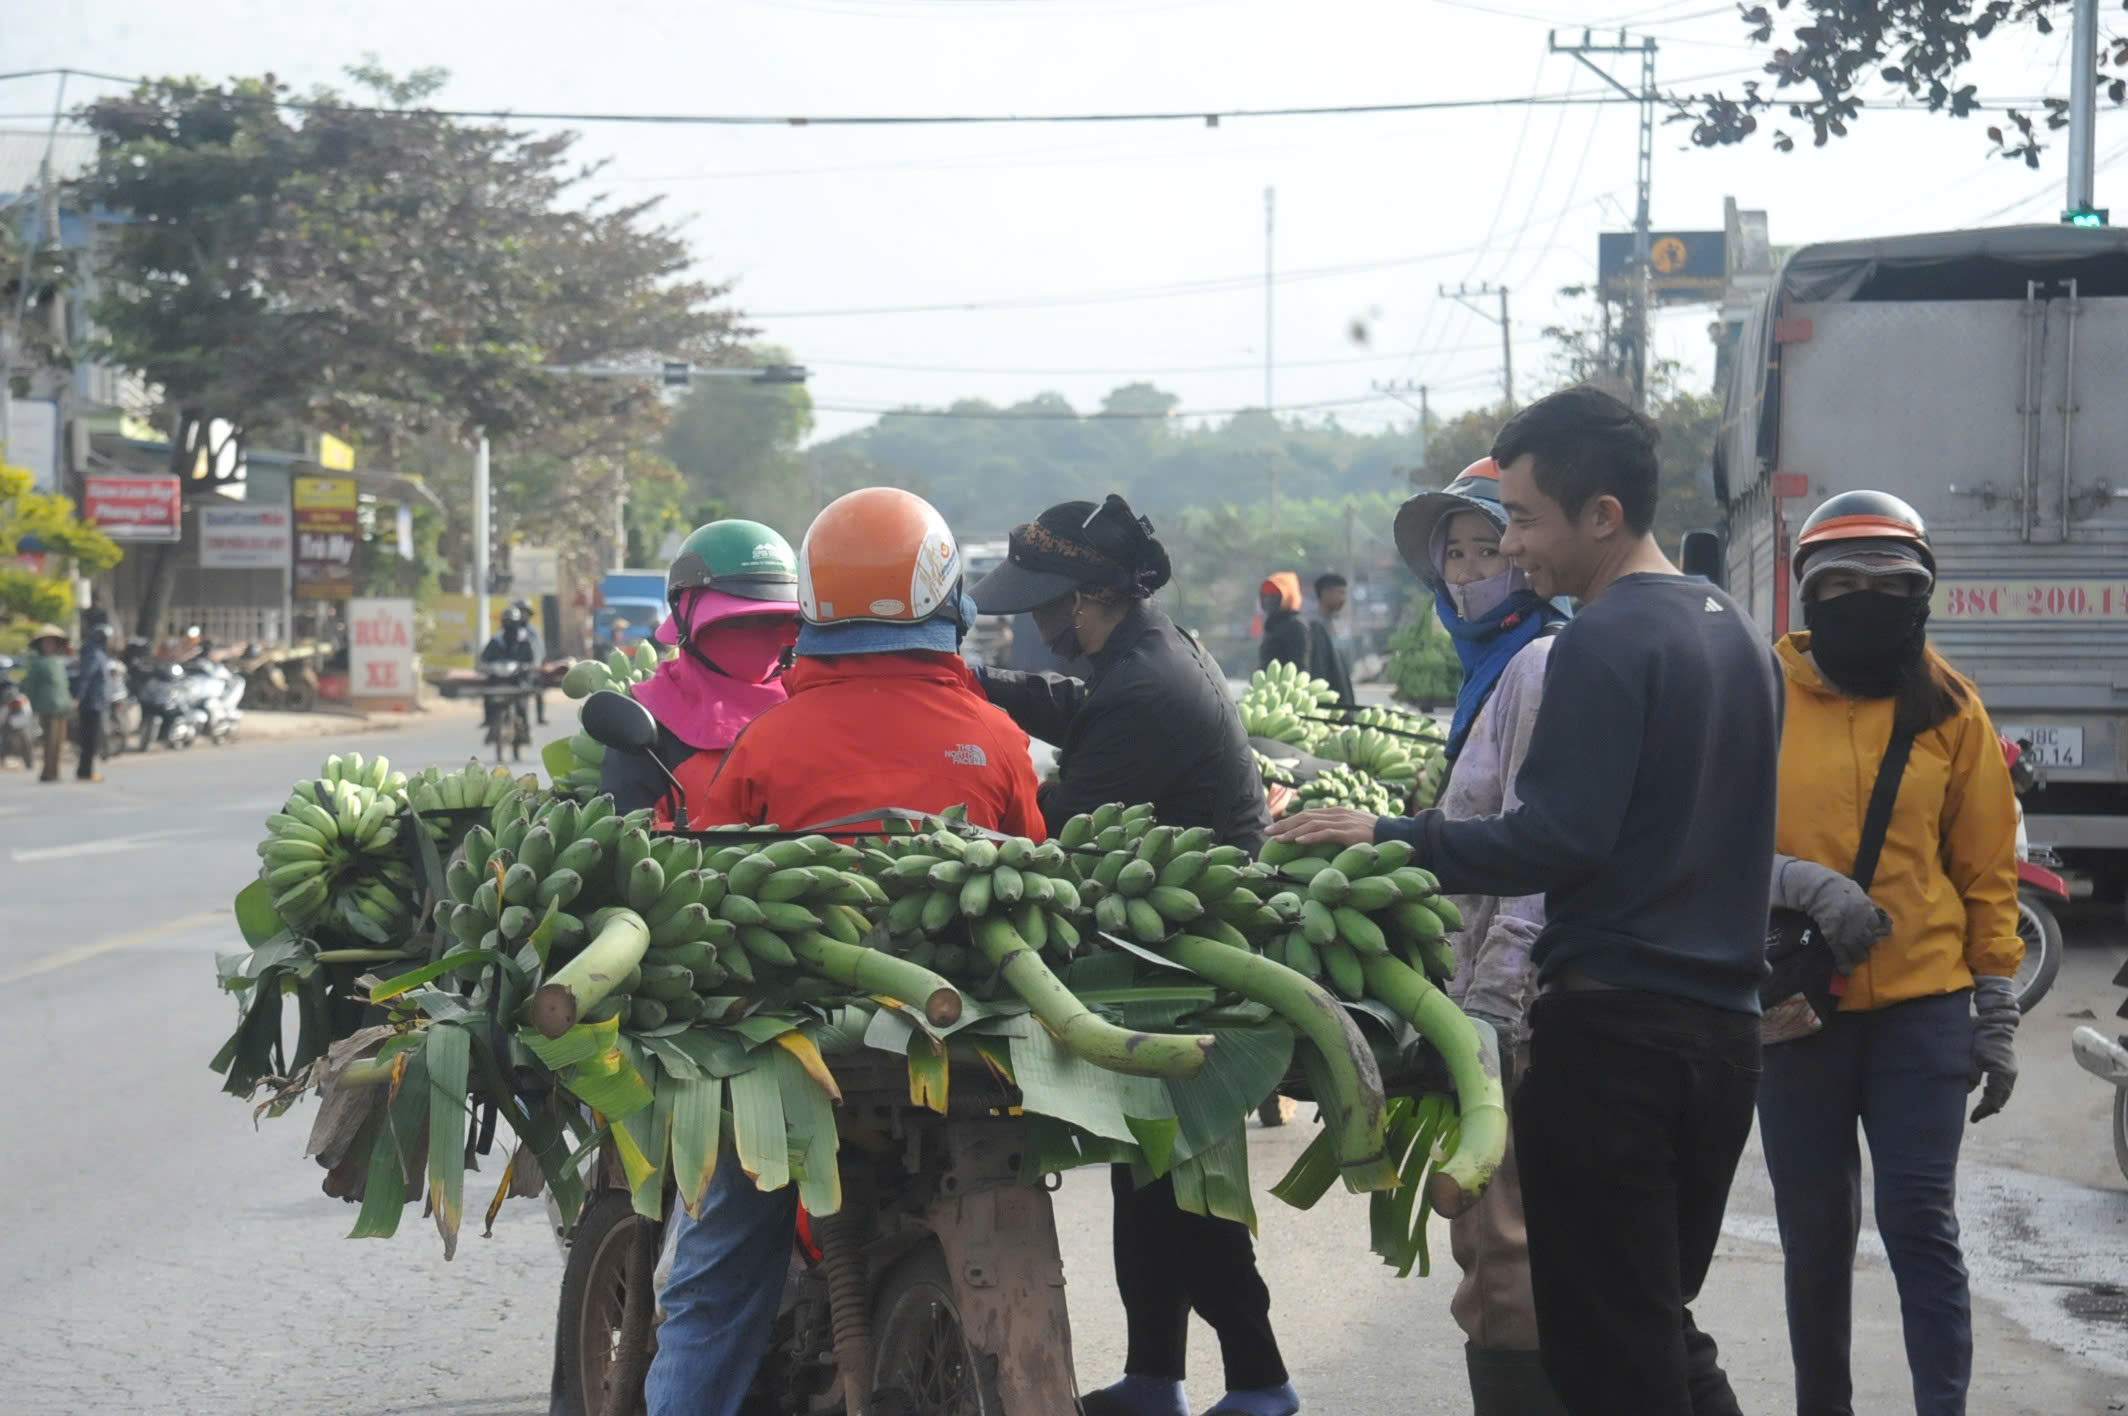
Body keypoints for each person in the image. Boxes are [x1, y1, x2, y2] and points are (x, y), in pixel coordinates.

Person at [1270, 384, 1784, 1416]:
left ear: (1603, 517)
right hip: (1723, 1042)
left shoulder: (1597, 641)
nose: (1509, 551)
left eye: (1525, 522)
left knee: (1609, 1361)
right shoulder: (1733, 632)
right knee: (1655, 1329)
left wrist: (1389, 834)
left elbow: (1554, 841)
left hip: (1615, 1046)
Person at [645, 487, 1044, 1416]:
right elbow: (1036, 866)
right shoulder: (998, 740)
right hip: (966, 1041)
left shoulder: (768, 742)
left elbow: (709, 892)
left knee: (713, 1275)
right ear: (948, 609)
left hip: (792, 1051)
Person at [971, 495, 1291, 1416]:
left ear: (1087, 598)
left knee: (1183, 1185)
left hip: (1187, 958)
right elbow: (1080, 707)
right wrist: (975, 685)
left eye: (1041, 605)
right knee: (1150, 1182)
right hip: (1159, 945)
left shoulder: (1148, 687)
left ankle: (1265, 1384)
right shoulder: (1149, 651)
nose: (1032, 623)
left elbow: (1055, 830)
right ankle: (1157, 1378)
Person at [1755, 491, 2020, 1416]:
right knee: (1816, 1239)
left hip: (1925, 1009)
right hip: (1797, 1013)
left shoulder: (1952, 708)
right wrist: (1806, 884)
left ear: (1923, 595)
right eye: (1843, 583)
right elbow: (1709, 845)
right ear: (1808, 596)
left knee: (1922, 1227)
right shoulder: (1760, 700)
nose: (1866, 598)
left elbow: (1988, 873)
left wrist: (1998, 1012)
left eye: (1889, 583)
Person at [1391, 458, 1568, 1414]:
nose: (1466, 572)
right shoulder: (1491, 672)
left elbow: (1534, 852)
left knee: (1503, 1255)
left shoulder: (1539, 662)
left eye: (1486, 547)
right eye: (1450, 555)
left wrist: (1493, 1009)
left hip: (1520, 1002)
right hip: (1500, 989)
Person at [599, 520, 802, 825]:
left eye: (776, 620)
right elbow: (628, 835)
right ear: (686, 624)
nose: (763, 636)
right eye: (740, 622)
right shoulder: (647, 718)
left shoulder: (808, 704)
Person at [479, 601, 541, 733]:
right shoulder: (496, 640)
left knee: (522, 702)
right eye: (506, 622)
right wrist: (485, 665)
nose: (509, 625)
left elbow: (531, 659)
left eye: (512, 622)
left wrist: (526, 666)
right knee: (487, 693)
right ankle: (488, 720)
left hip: (517, 678)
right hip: (498, 678)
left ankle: (524, 728)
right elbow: (485, 656)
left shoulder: (524, 641)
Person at [22, 624, 73, 784]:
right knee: (49, 742)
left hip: (61, 706)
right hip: (47, 707)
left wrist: (69, 702)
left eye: (52, 642)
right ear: (40, 645)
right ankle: (48, 772)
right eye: (46, 642)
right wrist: (36, 705)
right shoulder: (38, 663)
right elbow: (30, 686)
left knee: (59, 742)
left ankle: (55, 772)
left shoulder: (59, 662)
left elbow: (64, 685)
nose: (49, 645)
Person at [1306, 572, 1357, 706]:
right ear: (1325, 593)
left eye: (1344, 593)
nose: (1344, 598)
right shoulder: (1315, 627)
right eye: (1340, 592)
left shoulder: (1334, 625)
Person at [74, 626, 110, 782]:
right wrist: (79, 697)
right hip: (91, 703)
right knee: (90, 739)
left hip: (96, 702)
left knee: (90, 739)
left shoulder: (98, 652)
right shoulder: (93, 653)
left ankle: (84, 770)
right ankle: (86, 772)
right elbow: (86, 677)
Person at [1256, 571, 1310, 674]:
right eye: (1265, 595)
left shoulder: (1295, 626)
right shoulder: (1272, 624)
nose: (1268, 600)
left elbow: (1300, 666)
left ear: (1287, 596)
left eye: (1274, 595)